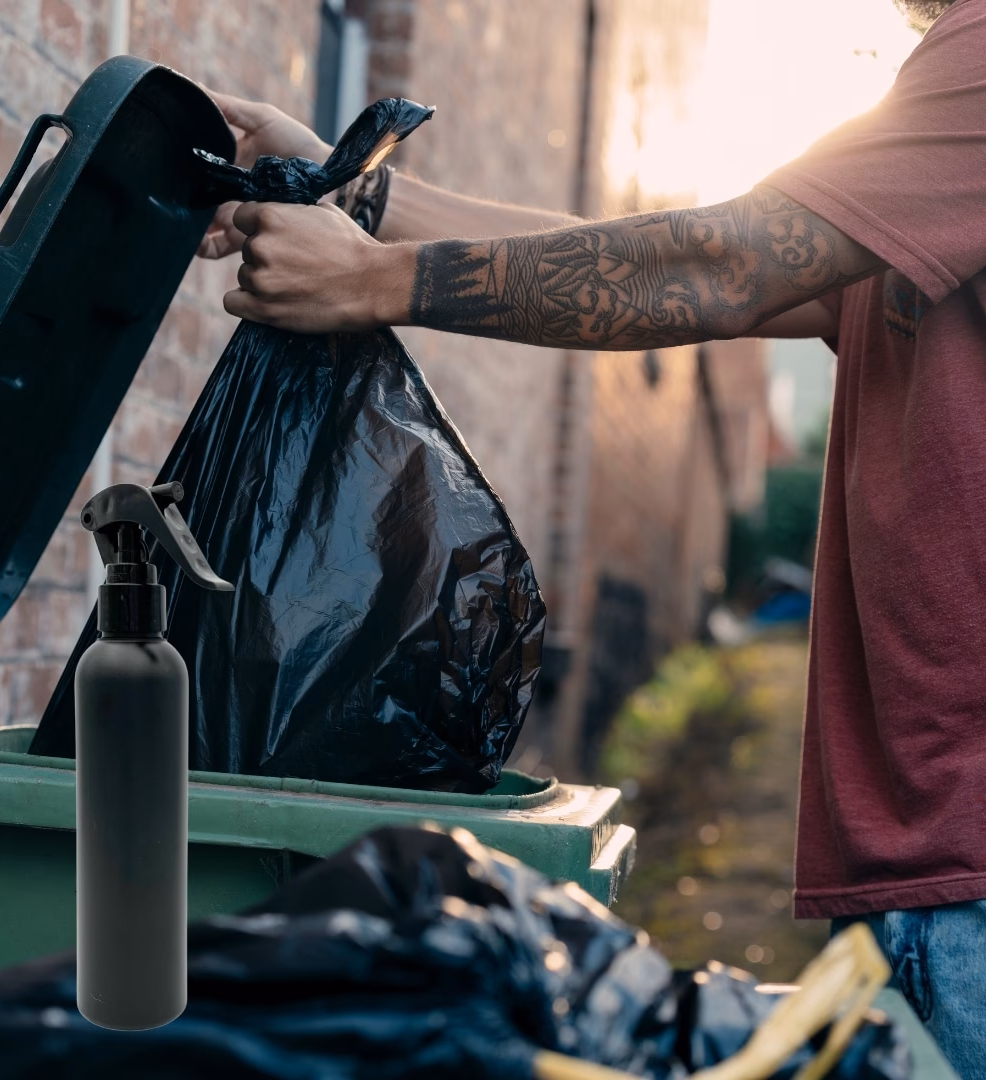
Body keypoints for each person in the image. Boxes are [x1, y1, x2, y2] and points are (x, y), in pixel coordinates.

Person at [198, 0, 986, 1071]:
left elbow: (726, 264)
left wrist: (376, 283)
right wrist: (358, 193)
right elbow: (705, 261)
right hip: (938, 854)